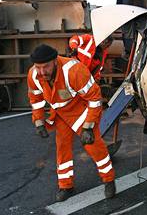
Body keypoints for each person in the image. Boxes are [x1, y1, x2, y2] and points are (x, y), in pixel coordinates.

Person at [27, 44, 116, 202]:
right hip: (60, 114)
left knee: (94, 147)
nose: (41, 72)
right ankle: (66, 185)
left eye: (45, 67)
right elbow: (36, 99)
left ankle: (109, 180)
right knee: (62, 148)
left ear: (55, 61)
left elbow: (95, 100)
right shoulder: (34, 74)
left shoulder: (74, 71)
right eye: (38, 67)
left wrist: (88, 126)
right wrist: (39, 120)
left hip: (80, 112)